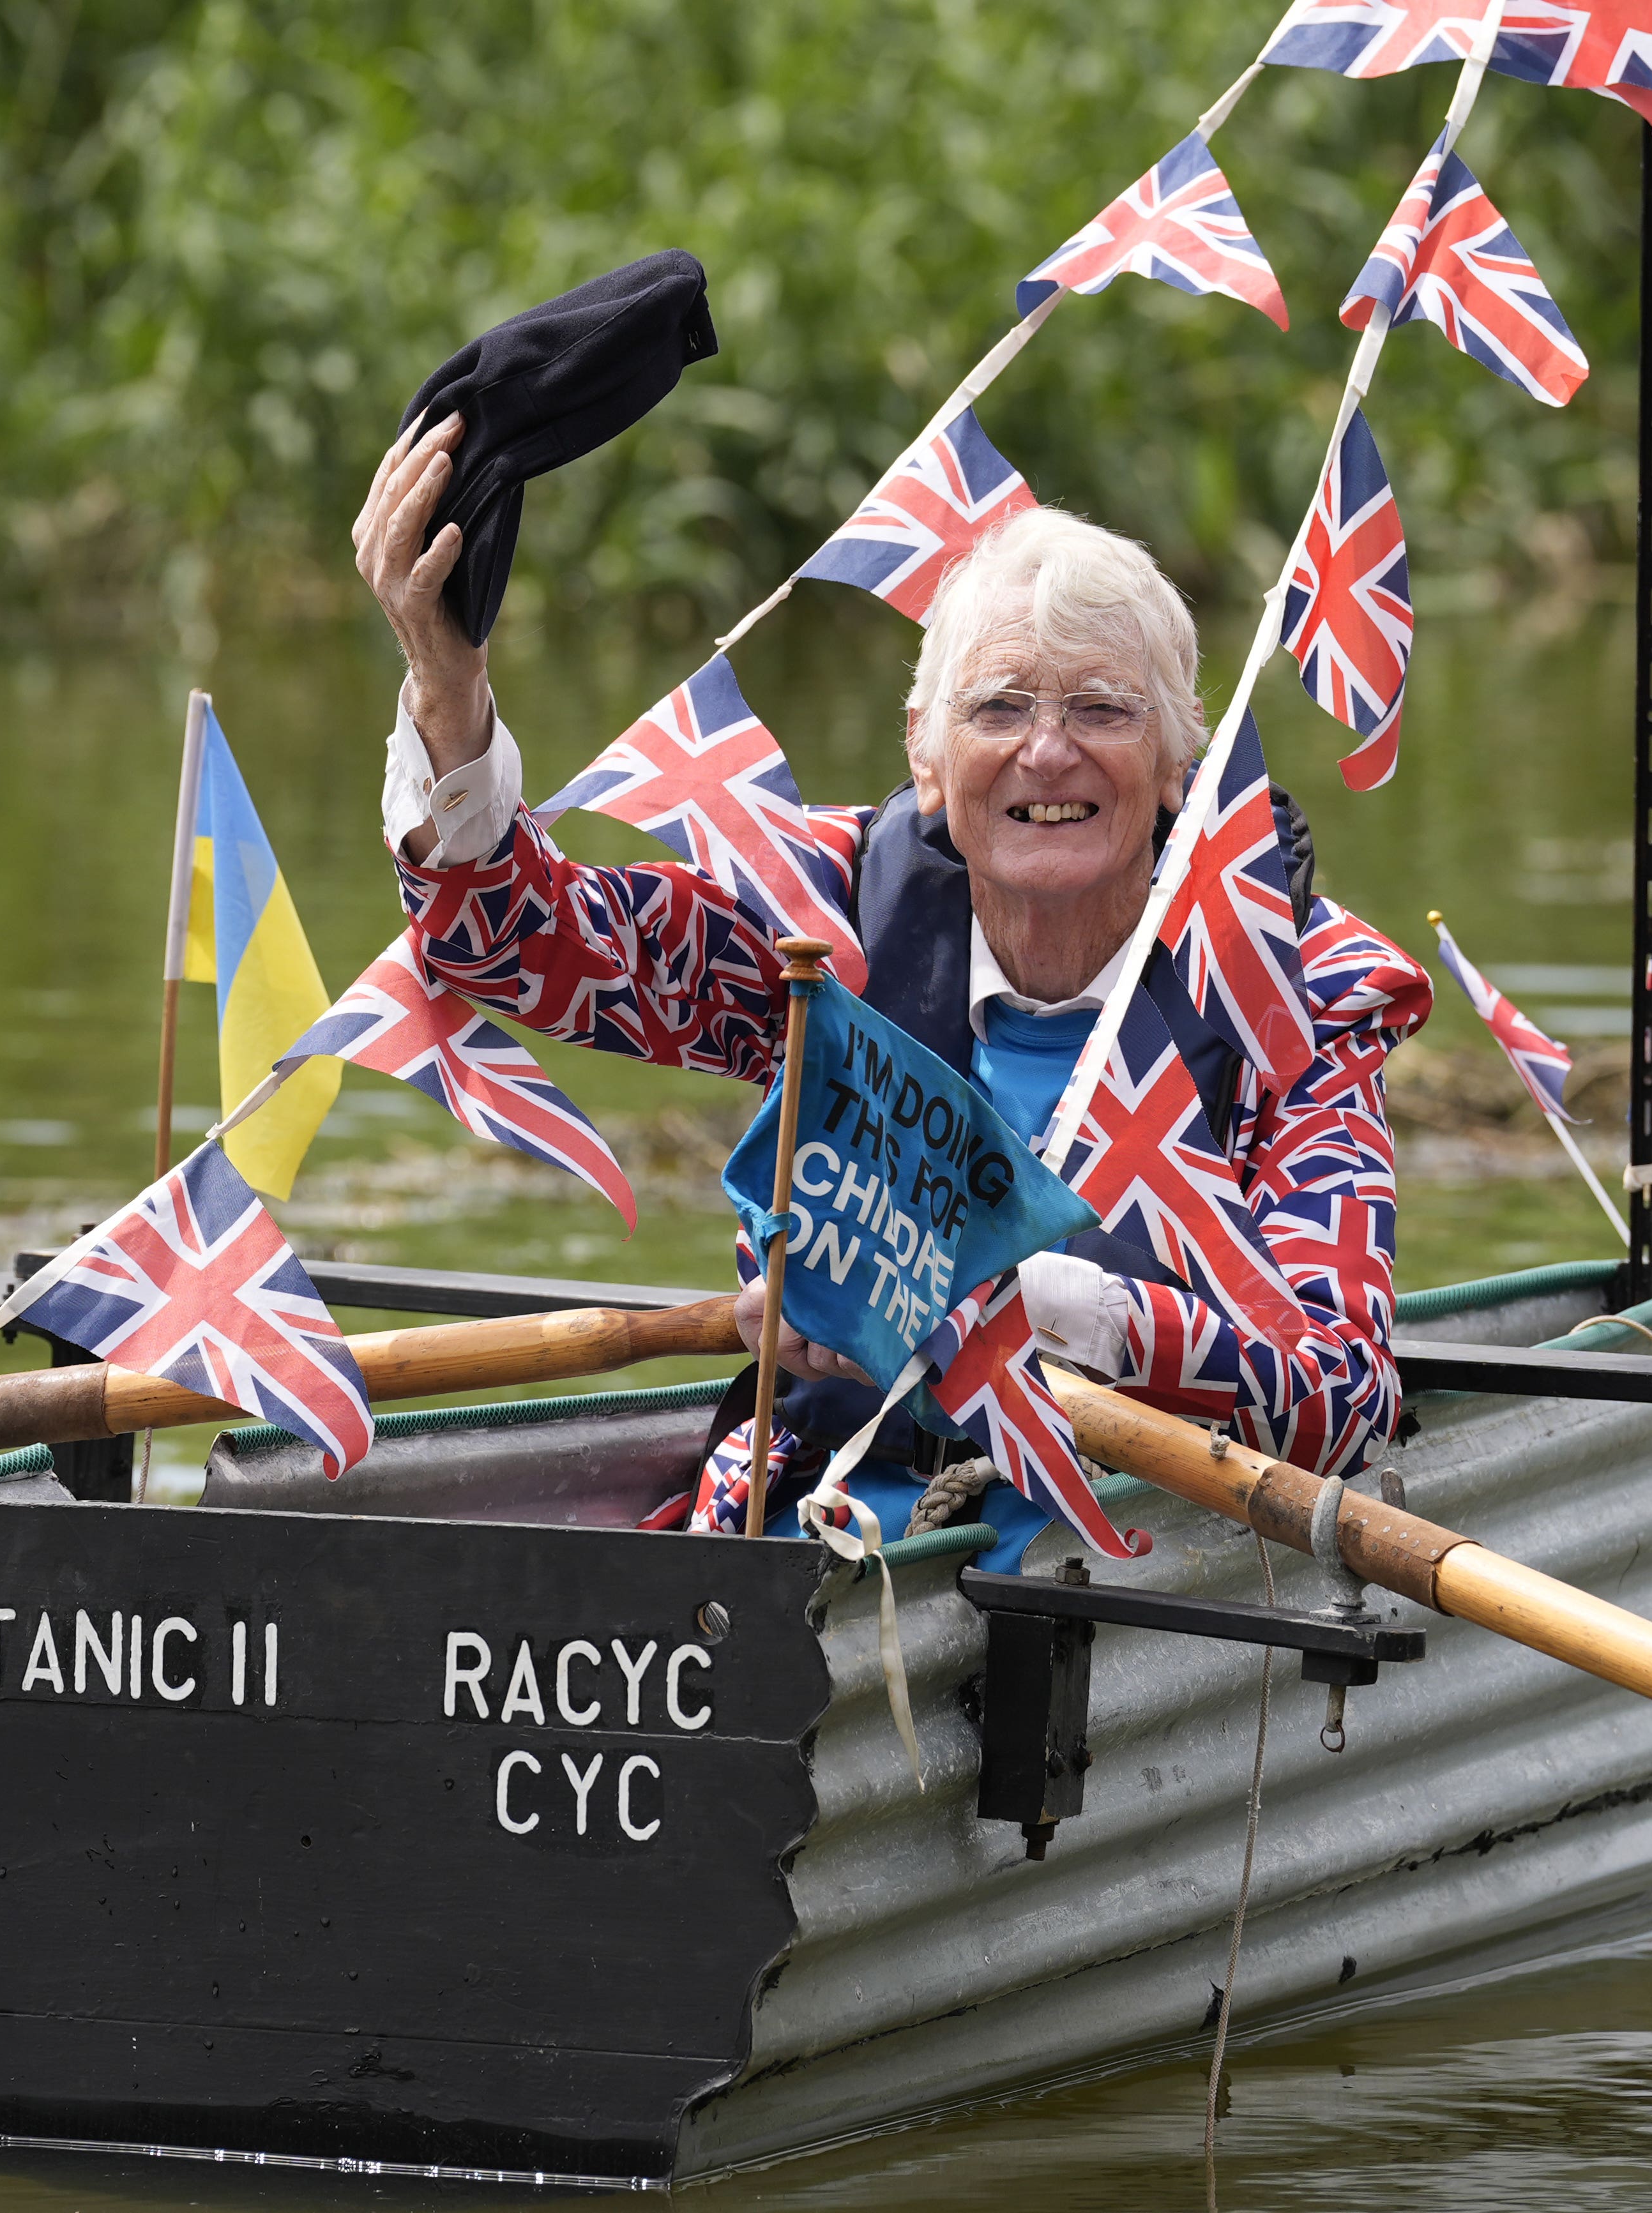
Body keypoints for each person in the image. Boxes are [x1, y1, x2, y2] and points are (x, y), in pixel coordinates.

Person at [354, 410, 1429, 1548]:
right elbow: (520, 947)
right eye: (1001, 707)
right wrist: (446, 678)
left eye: (1102, 710)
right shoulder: (821, 919)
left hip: (1108, 1551)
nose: (1048, 751)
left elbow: (1342, 1397)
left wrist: (1037, 1310)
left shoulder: (1300, 995)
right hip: (809, 1524)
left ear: (1176, 765)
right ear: (926, 753)